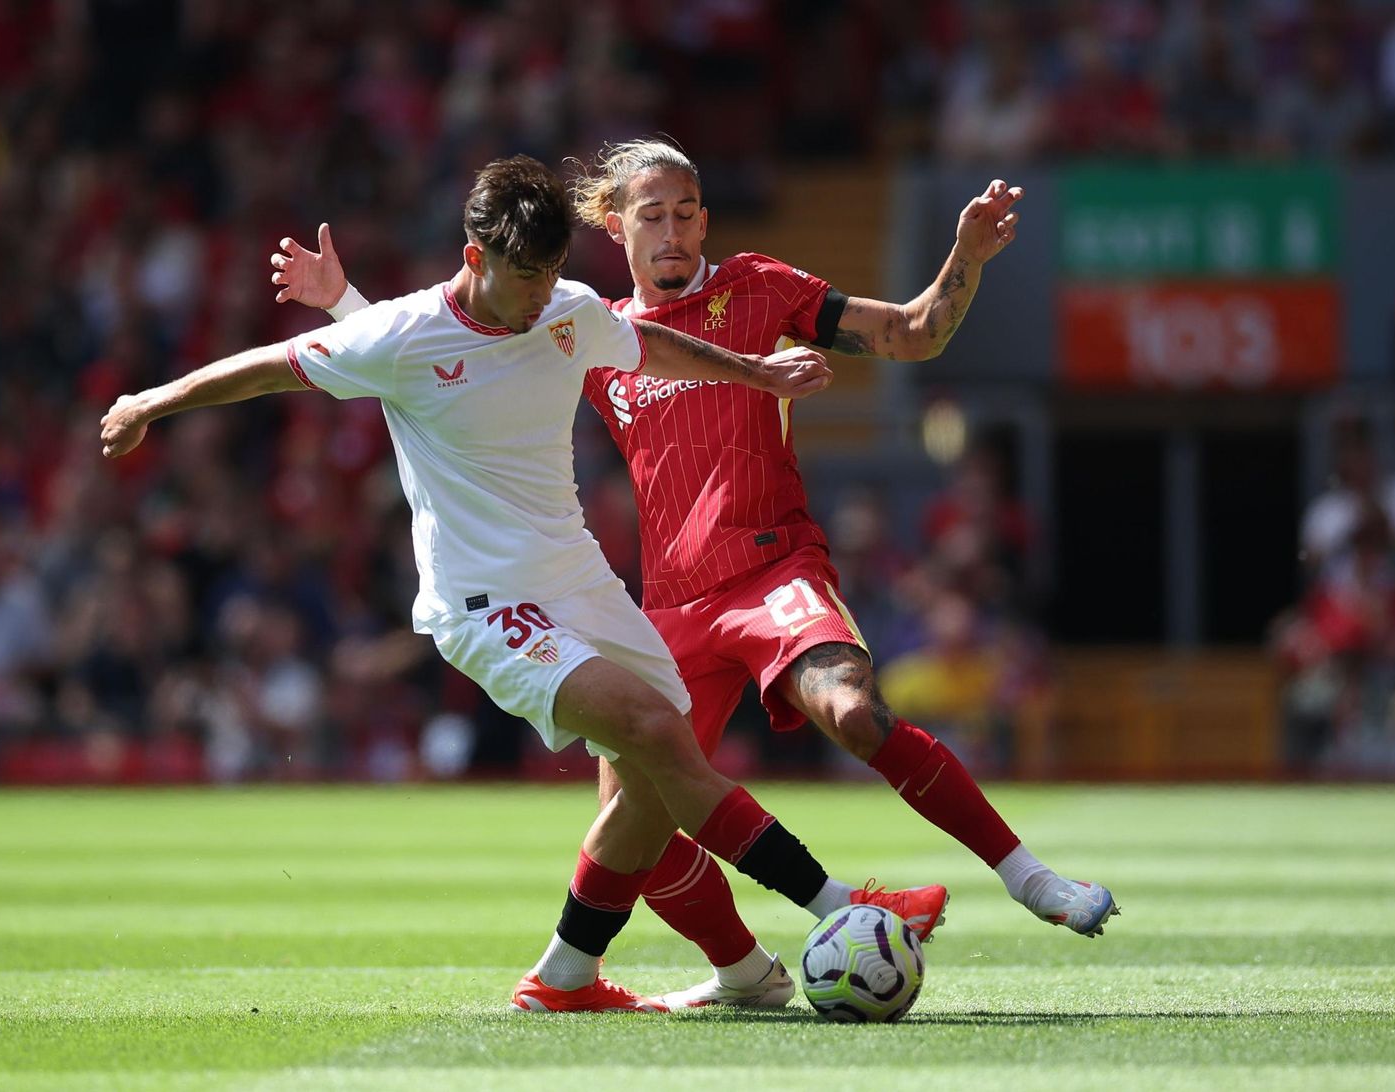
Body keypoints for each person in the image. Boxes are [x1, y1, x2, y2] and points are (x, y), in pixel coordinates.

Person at [272, 142, 1115, 1012]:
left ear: (705, 221)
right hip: (666, 604)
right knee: (638, 817)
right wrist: (343, 303)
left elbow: (912, 331)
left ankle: (1029, 878)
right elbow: (441, 360)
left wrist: (963, 261)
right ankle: (744, 973)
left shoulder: (755, 286)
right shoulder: (582, 331)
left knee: (854, 709)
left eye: (686, 213)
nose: (673, 231)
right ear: (615, 227)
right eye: (652, 215)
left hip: (771, 568)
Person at [107, 155, 946, 1015]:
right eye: (524, 278)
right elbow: (266, 366)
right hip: (484, 603)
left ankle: (580, 978)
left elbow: (649, 341)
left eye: (551, 274)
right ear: (475, 260)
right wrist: (147, 402)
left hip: (578, 579)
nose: (542, 296)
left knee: (663, 772)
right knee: (658, 732)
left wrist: (761, 373)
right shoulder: (396, 333)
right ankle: (839, 906)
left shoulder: (567, 309)